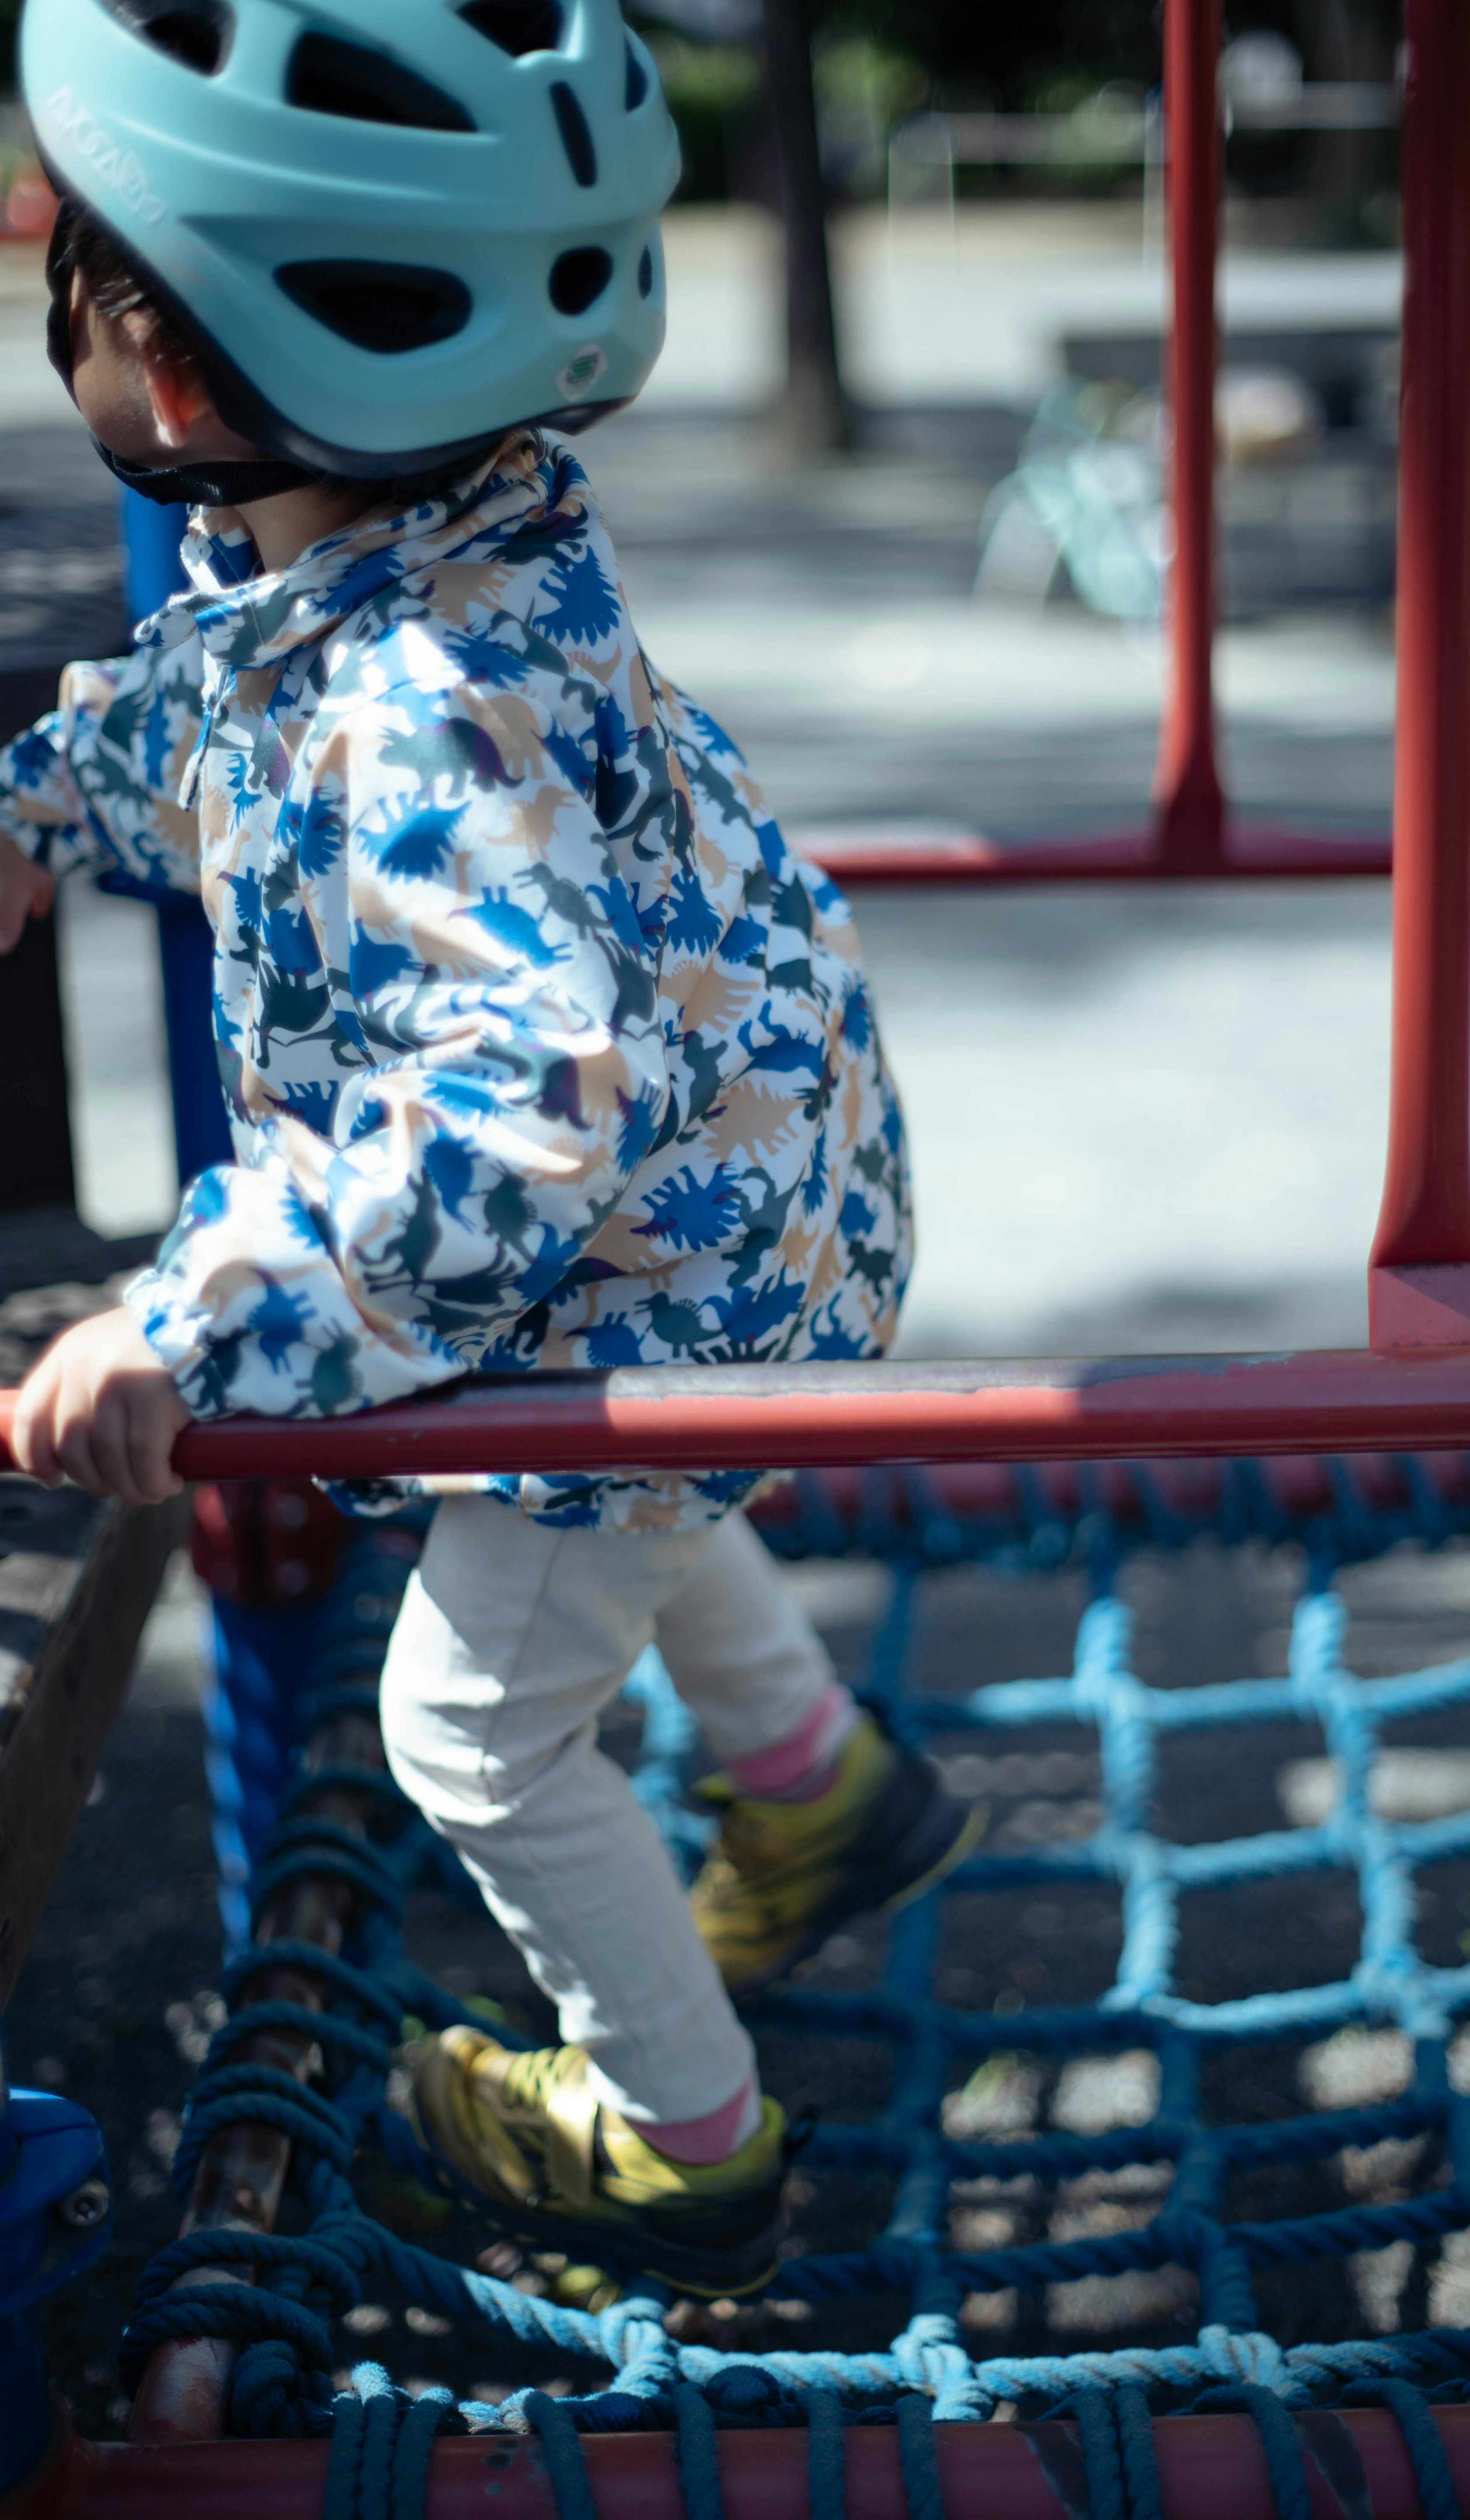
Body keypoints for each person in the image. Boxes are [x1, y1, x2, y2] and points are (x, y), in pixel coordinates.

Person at [0, 0, 979, 2301]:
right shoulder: (436, 537)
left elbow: (509, 1118)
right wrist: (40, 809)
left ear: (186, 371)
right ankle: (818, 1781)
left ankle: (681, 2141)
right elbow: (224, 722)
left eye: (68, 260)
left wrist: (184, 1317)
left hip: (658, 1242)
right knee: (590, 1489)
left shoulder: (401, 714)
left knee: (467, 1721)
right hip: (758, 1197)